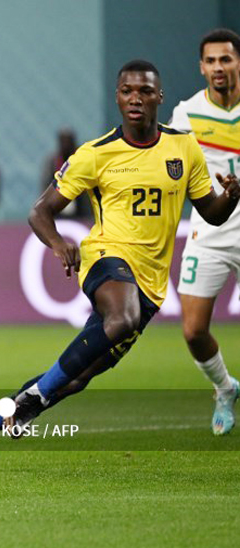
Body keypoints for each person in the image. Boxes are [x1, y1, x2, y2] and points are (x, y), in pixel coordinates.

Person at [0, 60, 240, 472]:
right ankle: (31, 404)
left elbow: (211, 212)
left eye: (144, 91)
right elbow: (40, 212)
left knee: (76, 377)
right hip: (105, 259)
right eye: (126, 91)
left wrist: (233, 195)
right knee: (121, 318)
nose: (135, 98)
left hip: (152, 285)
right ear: (117, 97)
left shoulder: (184, 148)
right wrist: (58, 244)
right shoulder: (96, 154)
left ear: (160, 97)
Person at [171, 29, 240, 435]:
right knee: (193, 330)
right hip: (211, 228)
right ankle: (224, 387)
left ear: (238, 62)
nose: (218, 67)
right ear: (201, 67)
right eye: (211, 61)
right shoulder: (187, 114)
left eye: (226, 59)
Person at [40, 128, 90, 219]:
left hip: (80, 208)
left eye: (68, 141)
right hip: (57, 207)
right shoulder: (53, 161)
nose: (66, 144)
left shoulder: (80, 159)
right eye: (63, 141)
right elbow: (46, 184)